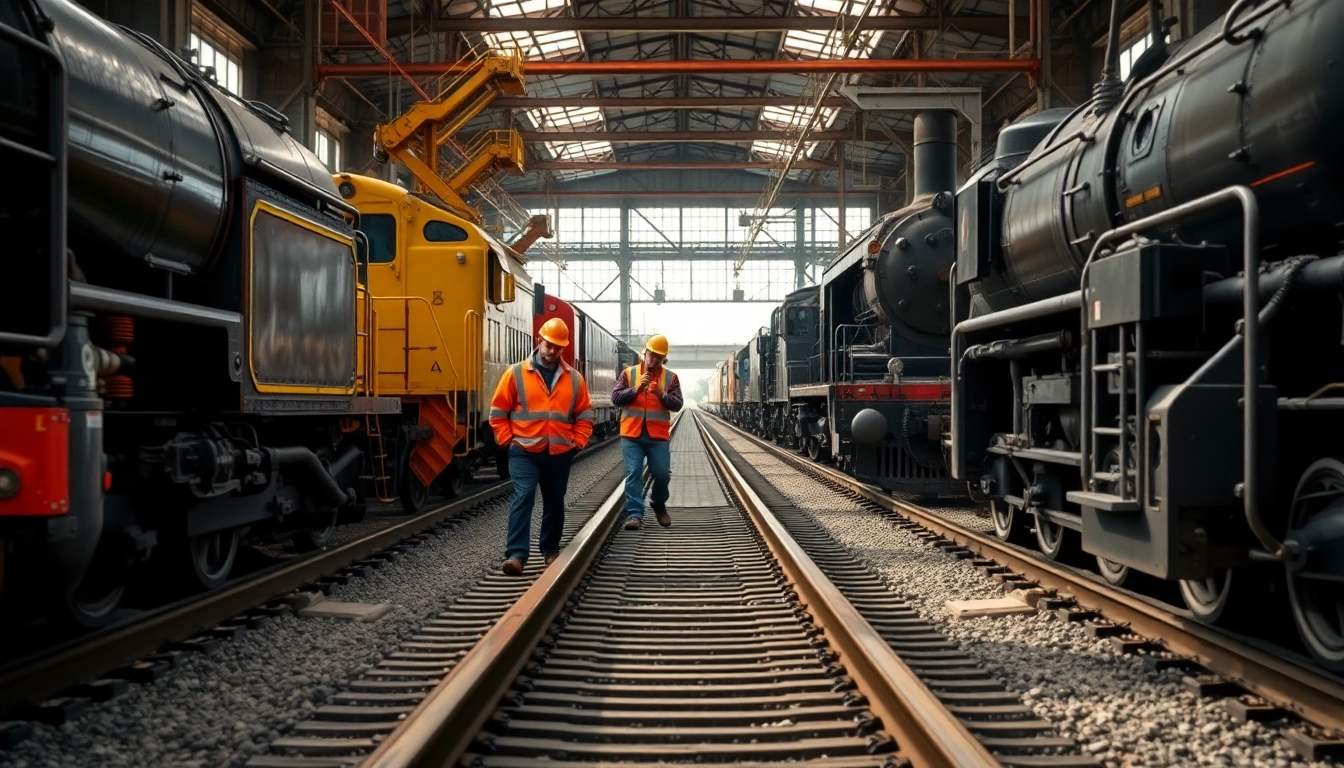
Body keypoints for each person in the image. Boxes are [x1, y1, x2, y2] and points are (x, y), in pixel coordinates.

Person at [489, 317, 594, 575]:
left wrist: (577, 443)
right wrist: (507, 441)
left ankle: (549, 551)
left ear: (563, 349)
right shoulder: (515, 373)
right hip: (524, 451)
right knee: (523, 498)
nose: (552, 352)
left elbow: (584, 418)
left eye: (558, 348)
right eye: (548, 345)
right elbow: (497, 413)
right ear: (540, 341)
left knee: (555, 502)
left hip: (559, 453)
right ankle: (516, 556)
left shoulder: (575, 379)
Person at [611, 334, 683, 530]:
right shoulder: (628, 374)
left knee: (662, 474)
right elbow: (616, 398)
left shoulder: (671, 378)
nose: (653, 360)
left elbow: (678, 404)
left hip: (657, 436)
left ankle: (658, 503)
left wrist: (661, 394)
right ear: (645, 353)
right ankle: (634, 515)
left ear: (663, 358)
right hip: (631, 435)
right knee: (633, 473)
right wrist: (636, 389)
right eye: (651, 355)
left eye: (658, 357)